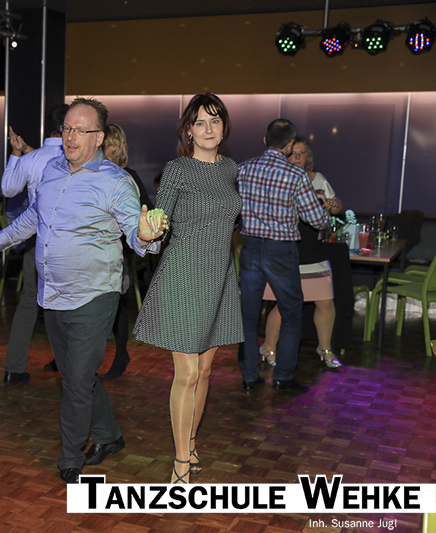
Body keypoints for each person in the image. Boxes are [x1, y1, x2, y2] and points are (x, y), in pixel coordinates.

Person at [0, 97, 166, 484]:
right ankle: (109, 435)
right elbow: (34, 216)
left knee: (76, 381)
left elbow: (136, 230)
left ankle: (70, 458)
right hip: (53, 294)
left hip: (94, 295)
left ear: (99, 138)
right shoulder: (51, 170)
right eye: (67, 128)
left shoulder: (115, 181)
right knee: (77, 374)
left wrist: (147, 236)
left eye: (81, 130)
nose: (71, 136)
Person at [132, 94, 243, 485]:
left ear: (224, 127)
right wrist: (147, 232)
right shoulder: (177, 169)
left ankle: (191, 441)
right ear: (189, 131)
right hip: (183, 275)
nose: (208, 128)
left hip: (219, 277)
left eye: (215, 121)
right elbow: (159, 218)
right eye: (199, 122)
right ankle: (180, 462)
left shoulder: (230, 168)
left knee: (207, 370)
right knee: (189, 372)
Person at [237, 119, 329, 395]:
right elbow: (316, 219)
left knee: (248, 316)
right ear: (289, 145)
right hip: (281, 250)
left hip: (250, 247)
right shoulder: (296, 175)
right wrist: (325, 215)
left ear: (265, 140)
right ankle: (283, 376)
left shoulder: (244, 168)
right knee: (291, 313)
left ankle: (249, 377)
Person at [0, 104, 68, 386]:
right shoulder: (74, 157)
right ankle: (67, 364)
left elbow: (7, 189)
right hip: (67, 241)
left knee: (29, 302)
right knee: (67, 302)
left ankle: (13, 368)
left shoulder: (34, 158)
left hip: (36, 238)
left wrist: (17, 153)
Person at [260, 136, 343, 369]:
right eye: (293, 153)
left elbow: (336, 205)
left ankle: (325, 349)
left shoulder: (319, 179)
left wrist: (333, 205)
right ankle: (268, 347)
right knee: (283, 305)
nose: (298, 157)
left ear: (308, 156)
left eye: (302, 152)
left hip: (313, 251)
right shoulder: (275, 179)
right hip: (285, 251)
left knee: (325, 302)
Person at [102, 123, 154, 380]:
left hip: (118, 253)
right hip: (94, 253)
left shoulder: (127, 176)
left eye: (105, 144)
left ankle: (121, 354)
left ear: (116, 147)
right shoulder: (92, 173)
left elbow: (148, 209)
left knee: (115, 306)